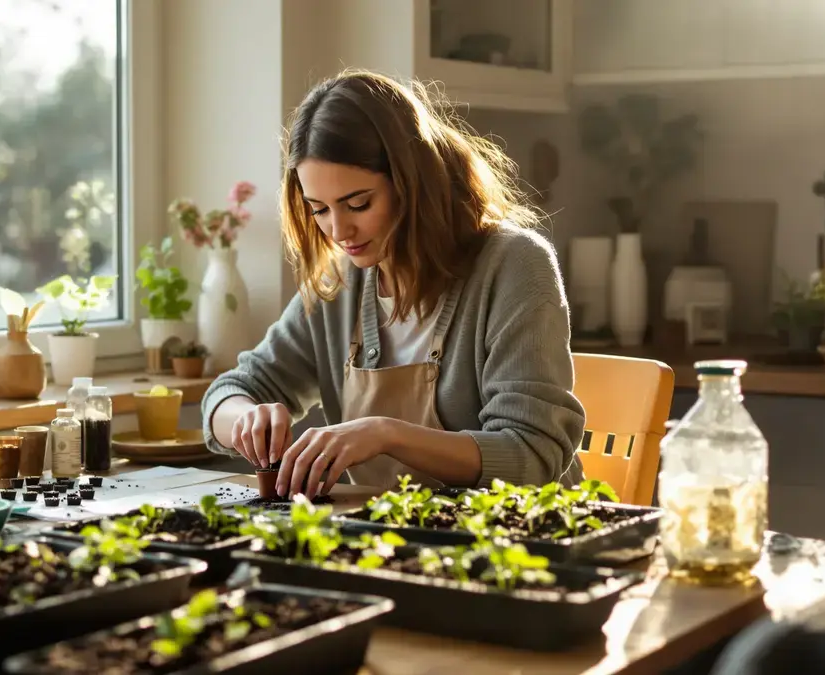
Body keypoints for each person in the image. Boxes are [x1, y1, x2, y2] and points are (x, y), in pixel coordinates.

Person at [200, 69, 585, 498]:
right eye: (319, 209)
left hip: (523, 529)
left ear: (412, 182)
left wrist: (385, 434)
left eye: (358, 204)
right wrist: (244, 419)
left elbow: (532, 454)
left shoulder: (514, 265)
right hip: (398, 533)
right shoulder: (340, 283)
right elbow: (230, 392)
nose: (339, 231)